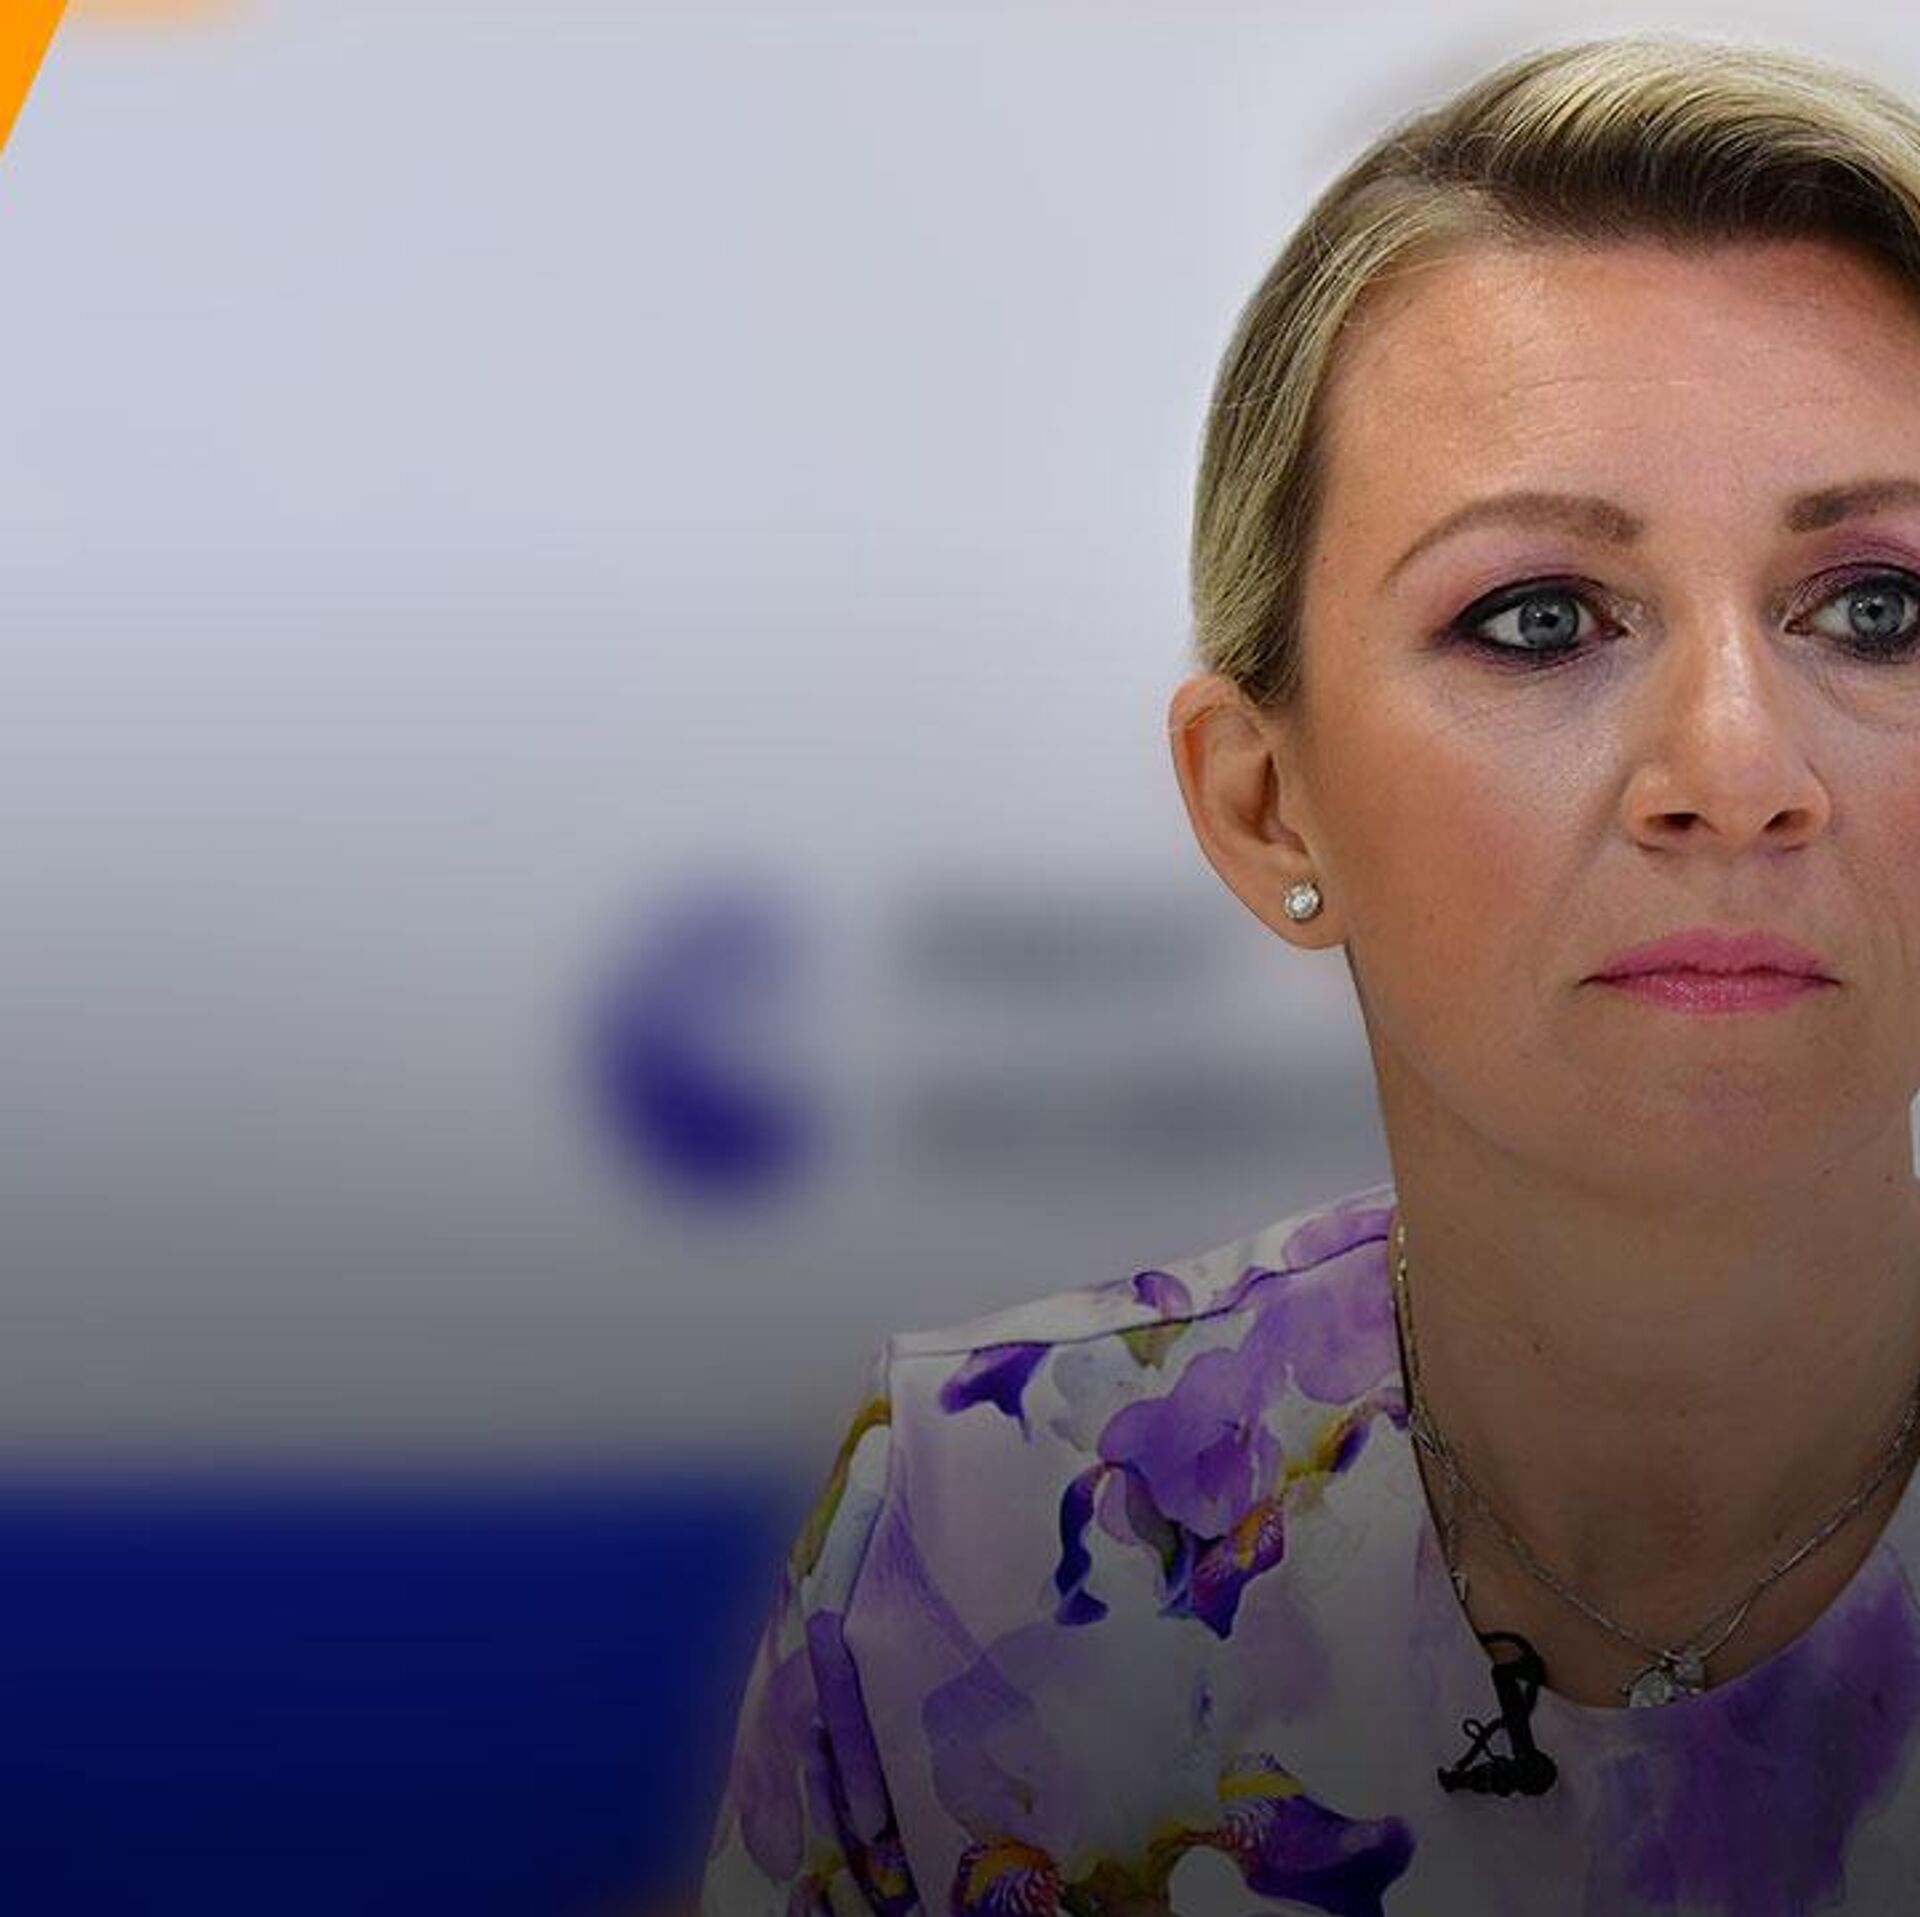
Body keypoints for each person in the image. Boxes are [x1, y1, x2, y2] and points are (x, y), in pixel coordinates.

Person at [699, 30, 1920, 1915]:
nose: (1736, 770)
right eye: (1540, 617)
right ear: (1263, 801)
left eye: (1880, 606)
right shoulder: (987, 1531)